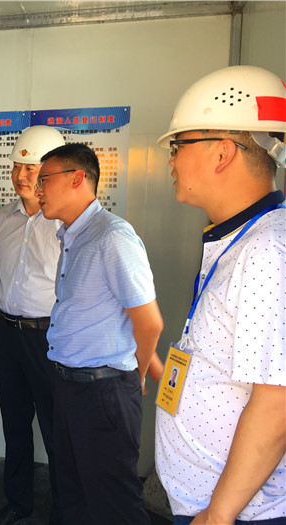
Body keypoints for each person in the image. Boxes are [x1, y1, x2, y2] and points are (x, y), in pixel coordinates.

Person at [155, 65, 286, 525]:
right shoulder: (239, 238)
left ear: (223, 152)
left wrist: (219, 514)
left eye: (178, 145)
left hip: (239, 515)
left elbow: (277, 404)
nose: (171, 160)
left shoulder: (266, 251)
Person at [34, 143, 164, 524]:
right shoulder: (72, 236)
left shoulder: (112, 237)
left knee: (114, 504)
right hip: (70, 386)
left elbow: (149, 322)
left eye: (44, 180)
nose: (38, 190)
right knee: (71, 493)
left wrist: (137, 374)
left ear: (77, 178)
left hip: (104, 392)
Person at [0, 126, 65, 524]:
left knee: (56, 428)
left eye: (30, 168)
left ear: (52, 172)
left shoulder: (66, 223)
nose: (20, 175)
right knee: (15, 424)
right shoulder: (2, 217)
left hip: (48, 337)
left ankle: (64, 511)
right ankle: (18, 504)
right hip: (6, 331)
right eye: (16, 166)